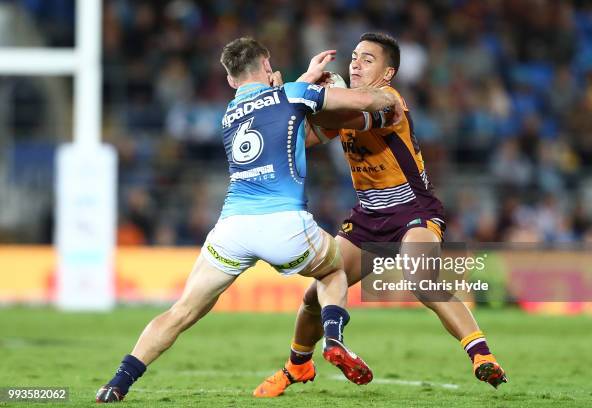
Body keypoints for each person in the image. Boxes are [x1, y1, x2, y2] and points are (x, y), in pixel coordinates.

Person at [95, 37, 405, 403]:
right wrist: (389, 100)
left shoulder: (228, 114)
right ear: (267, 64)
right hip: (285, 225)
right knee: (333, 272)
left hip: (232, 228)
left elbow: (287, 128)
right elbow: (362, 100)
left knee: (181, 312)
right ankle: (334, 336)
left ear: (230, 81)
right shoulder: (291, 94)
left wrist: (306, 79)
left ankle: (117, 383)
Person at [254, 32, 507, 398]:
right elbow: (298, 138)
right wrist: (278, 101)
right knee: (316, 294)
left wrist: (305, 92)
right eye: (354, 56)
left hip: (413, 211)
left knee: (421, 279)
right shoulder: (343, 110)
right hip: (368, 218)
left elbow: (352, 111)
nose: (355, 63)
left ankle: (482, 356)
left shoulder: (388, 101)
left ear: (387, 74)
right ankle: (298, 366)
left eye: (367, 59)